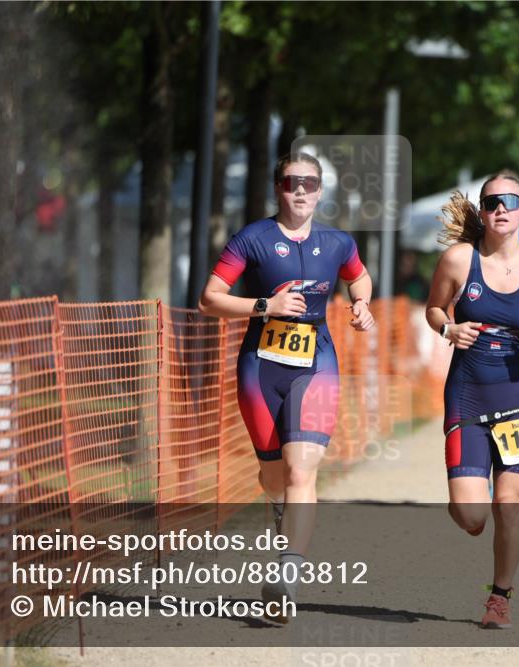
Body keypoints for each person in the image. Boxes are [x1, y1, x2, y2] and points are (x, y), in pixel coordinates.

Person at [198, 152, 374, 618]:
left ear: (320, 191)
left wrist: (361, 304)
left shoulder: (338, 242)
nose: (301, 190)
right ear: (278, 187)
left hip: (317, 361)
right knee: (274, 476)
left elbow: (360, 278)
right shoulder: (252, 238)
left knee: (302, 469)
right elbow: (209, 299)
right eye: (292, 181)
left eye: (310, 183)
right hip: (261, 366)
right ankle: (279, 507)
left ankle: (286, 577)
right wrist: (265, 306)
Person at [425, 170, 519, 629]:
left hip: (518, 394)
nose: (500, 208)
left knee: (510, 504)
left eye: (509, 200)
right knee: (471, 515)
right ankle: (466, 500)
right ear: (482, 213)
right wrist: (448, 327)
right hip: (467, 394)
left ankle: (500, 598)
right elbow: (433, 309)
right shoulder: (458, 260)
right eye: (491, 202)